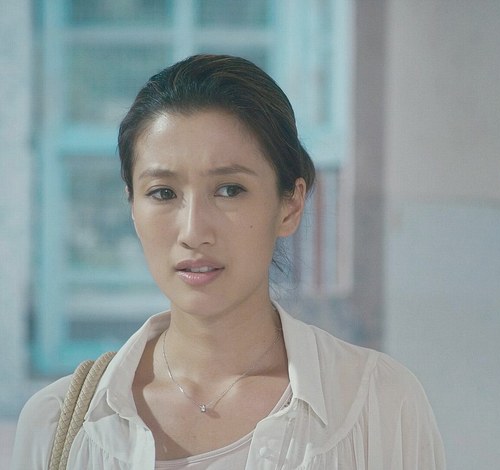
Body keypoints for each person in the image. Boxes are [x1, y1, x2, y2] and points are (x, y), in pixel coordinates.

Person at [13, 54, 445, 469]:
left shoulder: (379, 405)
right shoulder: (56, 424)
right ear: (132, 206)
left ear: (290, 205)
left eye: (229, 190)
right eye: (163, 193)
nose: (193, 231)